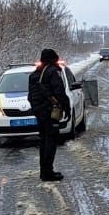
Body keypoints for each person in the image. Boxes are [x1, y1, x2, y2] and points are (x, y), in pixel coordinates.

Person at [27, 47, 69, 182]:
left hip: (39, 112)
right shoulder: (53, 72)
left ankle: (43, 171)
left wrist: (36, 108)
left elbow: (30, 96)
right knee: (51, 141)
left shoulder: (34, 74)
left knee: (43, 141)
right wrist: (66, 107)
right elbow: (60, 92)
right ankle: (48, 173)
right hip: (50, 112)